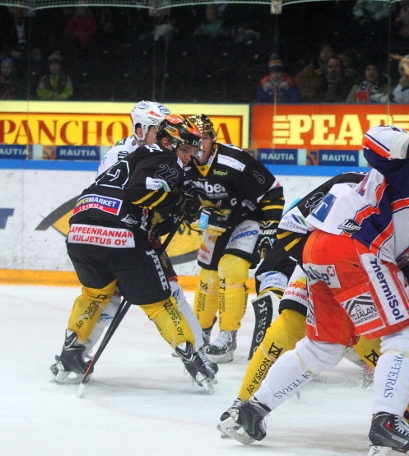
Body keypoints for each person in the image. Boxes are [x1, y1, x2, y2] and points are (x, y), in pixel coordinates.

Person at [219, 124, 409, 456]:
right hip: (355, 249)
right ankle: (387, 432)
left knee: (324, 346)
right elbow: (374, 139)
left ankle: (251, 412)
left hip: (324, 253)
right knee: (406, 334)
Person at [51, 115, 218, 391]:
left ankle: (70, 355)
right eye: (186, 150)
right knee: (159, 303)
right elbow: (138, 193)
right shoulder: (166, 159)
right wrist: (178, 202)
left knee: (95, 294)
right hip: (120, 236)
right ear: (168, 143)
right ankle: (195, 363)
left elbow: (138, 200)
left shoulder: (131, 157)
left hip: (79, 231)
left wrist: (169, 211)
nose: (189, 157)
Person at [73, 101, 206, 364]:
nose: (165, 133)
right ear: (140, 128)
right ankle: (78, 351)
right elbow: (126, 194)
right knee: (144, 294)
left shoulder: (161, 151)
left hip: (132, 228)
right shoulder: (124, 152)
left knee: (162, 289)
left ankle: (198, 351)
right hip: (128, 230)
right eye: (159, 129)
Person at [185, 114, 284, 364]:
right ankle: (201, 333)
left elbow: (273, 192)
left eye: (204, 138)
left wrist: (270, 230)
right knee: (208, 277)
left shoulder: (235, 161)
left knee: (232, 268)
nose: (199, 145)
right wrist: (194, 214)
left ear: (213, 139)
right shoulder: (182, 161)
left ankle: (228, 336)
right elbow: (179, 200)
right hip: (216, 224)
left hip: (248, 219)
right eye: (194, 139)